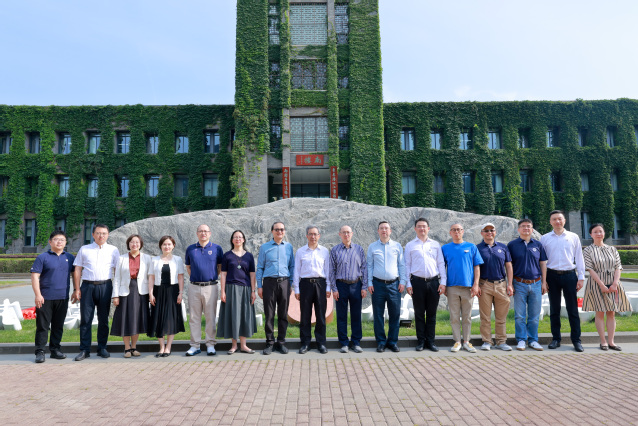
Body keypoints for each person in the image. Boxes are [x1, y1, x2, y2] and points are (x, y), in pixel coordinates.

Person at [73, 224, 120, 361]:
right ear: (93, 235)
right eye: (98, 233)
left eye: (104, 233)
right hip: (87, 286)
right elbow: (77, 269)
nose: (101, 236)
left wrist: (116, 292)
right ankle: (85, 349)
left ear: (108, 235)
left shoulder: (113, 250)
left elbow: (117, 270)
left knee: (103, 319)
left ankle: (102, 348)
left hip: (105, 286)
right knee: (86, 319)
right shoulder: (84, 249)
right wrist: (77, 289)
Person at [541, 210, 586, 352]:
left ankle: (576, 340)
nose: (557, 221)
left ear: (564, 221)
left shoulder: (573, 237)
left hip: (569, 276)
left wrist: (581, 277)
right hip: (551, 276)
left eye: (560, 219)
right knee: (554, 310)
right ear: (550, 222)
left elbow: (579, 257)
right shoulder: (545, 238)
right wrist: (543, 280)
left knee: (572, 309)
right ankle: (556, 339)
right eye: (554, 219)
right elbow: (541, 261)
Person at [582, 223, 632, 351]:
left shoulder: (612, 249)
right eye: (595, 232)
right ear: (591, 234)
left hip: (613, 283)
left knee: (611, 313)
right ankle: (603, 341)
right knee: (600, 312)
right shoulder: (588, 250)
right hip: (597, 283)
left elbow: (618, 267)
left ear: (604, 233)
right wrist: (602, 285)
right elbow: (590, 269)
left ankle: (611, 341)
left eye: (600, 231)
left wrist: (615, 283)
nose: (598, 234)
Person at [30, 230, 77, 363]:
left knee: (58, 325)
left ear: (65, 243)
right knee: (43, 326)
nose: (59, 242)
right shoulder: (42, 257)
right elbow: (35, 276)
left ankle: (55, 350)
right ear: (50, 242)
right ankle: (40, 351)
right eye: (56, 239)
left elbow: (75, 274)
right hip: (45, 298)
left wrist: (75, 290)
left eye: (62, 240)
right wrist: (38, 295)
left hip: (62, 297)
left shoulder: (70, 257)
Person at [404, 218, 446, 352]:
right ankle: (421, 341)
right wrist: (408, 283)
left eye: (424, 226)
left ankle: (431, 341)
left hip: (433, 282)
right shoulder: (410, 245)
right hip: (417, 282)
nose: (422, 229)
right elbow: (407, 265)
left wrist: (443, 282)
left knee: (432, 314)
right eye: (419, 226)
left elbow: (441, 264)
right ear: (415, 229)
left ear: (428, 228)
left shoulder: (435, 244)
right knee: (419, 313)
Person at [441, 223, 483, 353]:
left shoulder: (471, 247)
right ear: (450, 232)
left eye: (459, 229)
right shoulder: (445, 248)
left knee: (467, 316)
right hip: (452, 287)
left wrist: (476, 284)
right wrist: (444, 284)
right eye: (454, 230)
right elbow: (442, 268)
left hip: (468, 287)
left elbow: (476, 266)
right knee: (454, 316)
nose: (456, 232)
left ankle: (466, 342)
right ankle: (457, 341)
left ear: (463, 231)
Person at [507, 218, 547, 351]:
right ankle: (521, 340)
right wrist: (510, 284)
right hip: (519, 283)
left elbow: (543, 264)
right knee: (519, 315)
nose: (526, 228)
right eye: (523, 226)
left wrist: (544, 282)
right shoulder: (512, 245)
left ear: (532, 229)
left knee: (534, 316)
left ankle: (533, 340)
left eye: (528, 226)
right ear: (518, 229)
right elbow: (509, 266)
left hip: (536, 283)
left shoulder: (538, 245)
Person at [367, 221, 407, 353]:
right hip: (377, 285)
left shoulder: (397, 246)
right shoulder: (372, 247)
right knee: (378, 315)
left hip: (394, 285)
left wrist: (403, 281)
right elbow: (369, 266)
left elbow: (401, 265)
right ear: (378, 231)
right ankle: (381, 342)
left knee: (394, 314)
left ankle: (393, 342)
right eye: (381, 228)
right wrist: (369, 283)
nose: (384, 230)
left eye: (386, 228)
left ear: (390, 231)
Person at [110, 234, 153, 358]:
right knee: (125, 319)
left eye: (137, 242)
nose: (134, 244)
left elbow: (150, 277)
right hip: (125, 292)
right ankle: (126, 348)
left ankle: (134, 347)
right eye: (132, 242)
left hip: (141, 292)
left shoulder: (147, 258)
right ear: (128, 244)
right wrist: (115, 296)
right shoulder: (121, 258)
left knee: (136, 320)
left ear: (141, 244)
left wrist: (151, 293)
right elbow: (117, 278)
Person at [256, 221, 295, 355]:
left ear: (284, 231)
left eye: (282, 229)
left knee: (283, 314)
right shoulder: (264, 247)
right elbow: (260, 267)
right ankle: (270, 343)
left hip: (284, 283)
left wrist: (290, 283)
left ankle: (281, 342)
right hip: (269, 283)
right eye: (277, 229)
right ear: (272, 231)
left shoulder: (288, 247)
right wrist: (259, 286)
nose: (279, 232)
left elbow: (292, 266)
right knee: (269, 314)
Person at [184, 224, 223, 356]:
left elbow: (219, 267)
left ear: (210, 233)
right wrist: (197, 278)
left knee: (210, 317)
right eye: (200, 231)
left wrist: (209, 278)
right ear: (197, 233)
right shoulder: (191, 249)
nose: (203, 233)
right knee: (194, 317)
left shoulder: (217, 248)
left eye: (206, 231)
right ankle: (195, 346)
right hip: (194, 287)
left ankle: (210, 344)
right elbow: (188, 267)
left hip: (210, 287)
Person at [217, 230, 257, 354]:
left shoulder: (249, 256)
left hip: (246, 289)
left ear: (243, 239)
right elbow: (223, 274)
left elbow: (252, 275)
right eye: (235, 237)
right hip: (231, 288)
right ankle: (234, 345)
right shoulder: (227, 255)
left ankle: (243, 345)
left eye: (240, 237)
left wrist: (253, 291)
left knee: (244, 316)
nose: (238, 239)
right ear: (232, 240)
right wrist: (223, 291)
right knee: (233, 316)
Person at [329, 225, 367, 354]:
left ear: (352, 234)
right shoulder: (335, 250)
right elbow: (331, 270)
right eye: (343, 232)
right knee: (341, 315)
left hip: (356, 285)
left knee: (356, 315)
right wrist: (334, 289)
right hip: (341, 285)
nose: (346, 235)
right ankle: (344, 343)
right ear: (339, 234)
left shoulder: (359, 249)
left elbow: (364, 268)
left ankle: (356, 342)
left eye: (348, 232)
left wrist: (364, 286)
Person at [293, 225, 331, 354]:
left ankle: (321, 343)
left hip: (320, 284)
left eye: (315, 234)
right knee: (305, 315)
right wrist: (296, 289)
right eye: (310, 234)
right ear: (306, 236)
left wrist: (328, 287)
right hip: (305, 284)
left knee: (321, 315)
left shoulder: (324, 251)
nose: (313, 236)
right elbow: (296, 271)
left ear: (319, 236)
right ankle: (305, 343)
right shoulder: (300, 251)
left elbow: (328, 270)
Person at [476, 223, 513, 351]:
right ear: (482, 233)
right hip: (484, 284)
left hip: (501, 284)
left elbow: (508, 266)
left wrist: (510, 284)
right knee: (485, 317)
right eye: (486, 230)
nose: (489, 232)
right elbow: (475, 267)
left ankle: (501, 341)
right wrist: (476, 285)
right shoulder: (477, 248)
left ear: (495, 232)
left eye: (491, 230)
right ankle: (487, 341)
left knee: (501, 317)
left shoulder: (503, 247)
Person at [148, 235, 185, 357]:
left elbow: (180, 277)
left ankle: (168, 347)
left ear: (173, 246)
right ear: (161, 246)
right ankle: (161, 347)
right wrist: (151, 294)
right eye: (164, 244)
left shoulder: (178, 259)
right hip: (158, 291)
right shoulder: (154, 260)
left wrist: (180, 293)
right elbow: (151, 277)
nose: (167, 246)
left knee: (170, 319)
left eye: (169, 244)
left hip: (172, 291)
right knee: (158, 318)